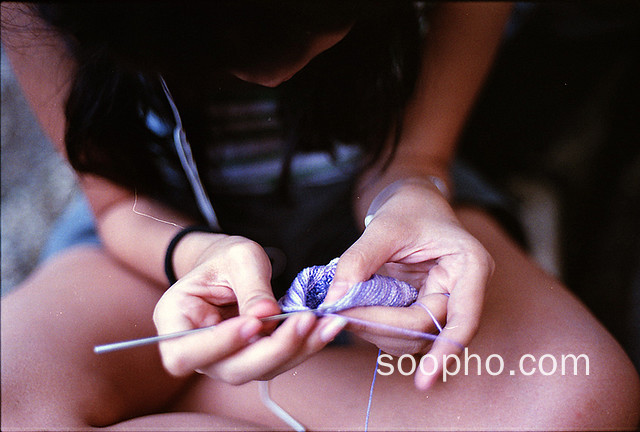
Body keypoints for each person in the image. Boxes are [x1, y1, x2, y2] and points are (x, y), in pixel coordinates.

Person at [1, 2, 638, 430]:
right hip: (160, 240)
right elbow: (120, 205)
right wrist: (198, 255)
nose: (269, 75)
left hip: (399, 216)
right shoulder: (33, 11)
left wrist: (411, 191)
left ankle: (190, 398)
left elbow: (416, 156)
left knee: (579, 400)